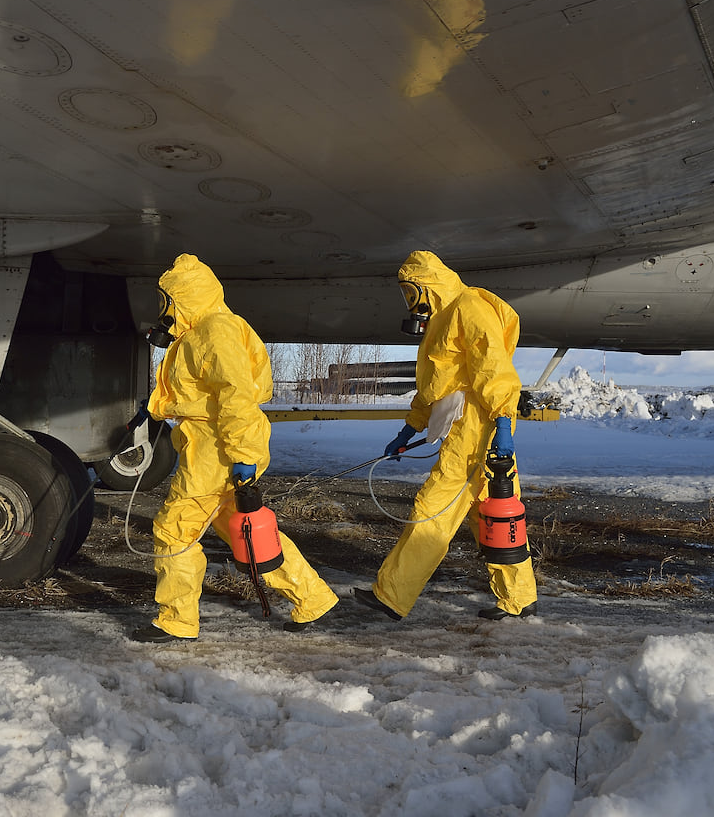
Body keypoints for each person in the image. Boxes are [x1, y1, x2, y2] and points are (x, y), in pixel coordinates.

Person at [130, 253, 340, 642]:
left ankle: (177, 621)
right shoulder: (202, 331)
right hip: (215, 444)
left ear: (184, 297)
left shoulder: (215, 332)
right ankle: (312, 598)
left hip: (217, 448)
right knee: (242, 528)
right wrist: (155, 408)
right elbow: (199, 392)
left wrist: (242, 453)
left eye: (166, 301)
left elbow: (236, 395)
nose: (163, 309)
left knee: (174, 531)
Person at [354, 250, 538, 621]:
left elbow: (494, 368)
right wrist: (410, 427)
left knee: (432, 511)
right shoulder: (441, 321)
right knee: (493, 516)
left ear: (427, 286)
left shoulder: (467, 308)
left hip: (478, 427)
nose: (409, 302)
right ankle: (519, 599)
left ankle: (392, 595)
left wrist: (502, 422)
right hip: (464, 424)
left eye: (411, 292)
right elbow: (435, 387)